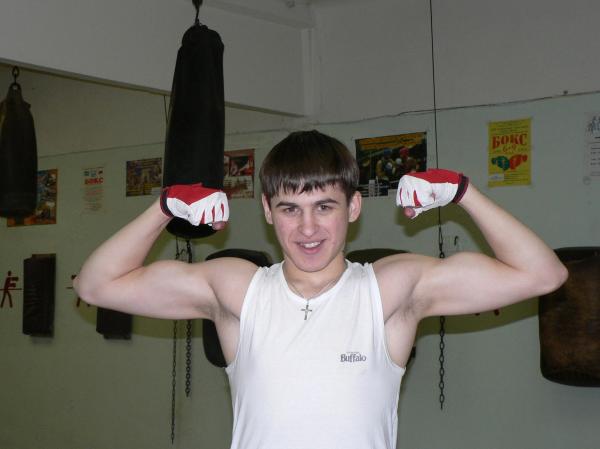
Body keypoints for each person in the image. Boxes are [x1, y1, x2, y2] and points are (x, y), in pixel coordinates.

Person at [74, 130, 567, 449]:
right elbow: (97, 285)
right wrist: (163, 208)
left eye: (324, 207)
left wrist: (464, 194)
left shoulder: (389, 290)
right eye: (290, 209)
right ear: (267, 211)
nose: (307, 229)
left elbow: (543, 275)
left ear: (353, 207)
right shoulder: (238, 289)